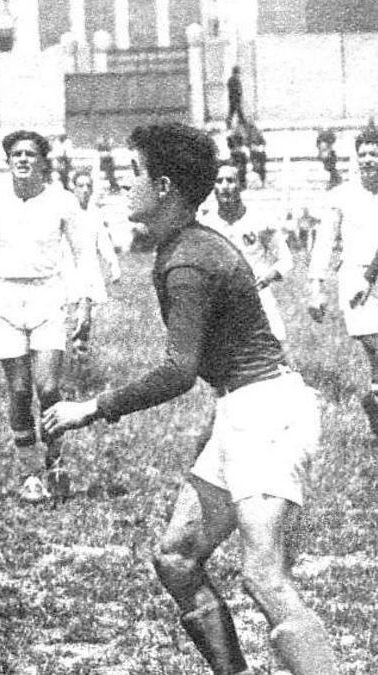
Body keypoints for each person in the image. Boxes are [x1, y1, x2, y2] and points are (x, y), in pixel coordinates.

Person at [43, 122, 337, 675]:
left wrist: (92, 408)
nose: (123, 185)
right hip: (245, 409)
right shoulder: (186, 245)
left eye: (134, 174)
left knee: (264, 578)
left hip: (267, 413)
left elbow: (180, 371)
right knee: (176, 559)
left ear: (165, 187)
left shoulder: (187, 260)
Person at [0, 130, 98, 503]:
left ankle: (55, 459)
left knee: (48, 387)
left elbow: (84, 255)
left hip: (47, 296)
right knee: (19, 390)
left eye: (30, 154)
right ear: (7, 161)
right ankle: (30, 472)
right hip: (4, 299)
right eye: (16, 154)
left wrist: (84, 302)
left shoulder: (63, 202)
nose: (22, 160)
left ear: (42, 161)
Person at [308, 126, 378, 436]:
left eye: (374, 153)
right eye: (362, 154)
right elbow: (324, 242)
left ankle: (375, 399)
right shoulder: (343, 195)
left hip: (372, 275)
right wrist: (315, 288)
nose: (368, 160)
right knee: (374, 344)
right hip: (355, 280)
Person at [205, 161, 293, 347]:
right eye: (219, 181)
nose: (224, 187)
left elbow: (285, 260)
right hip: (221, 298)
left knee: (277, 344)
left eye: (230, 180)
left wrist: (268, 276)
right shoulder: (206, 224)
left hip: (257, 294)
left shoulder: (261, 218)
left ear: (241, 185)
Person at [68, 168, 121, 356]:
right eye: (80, 186)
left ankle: (79, 355)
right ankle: (67, 356)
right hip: (67, 269)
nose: (84, 190)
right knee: (70, 316)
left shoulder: (95, 213)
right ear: (72, 188)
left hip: (89, 269)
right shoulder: (66, 212)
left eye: (88, 186)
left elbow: (103, 241)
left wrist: (113, 265)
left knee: (86, 317)